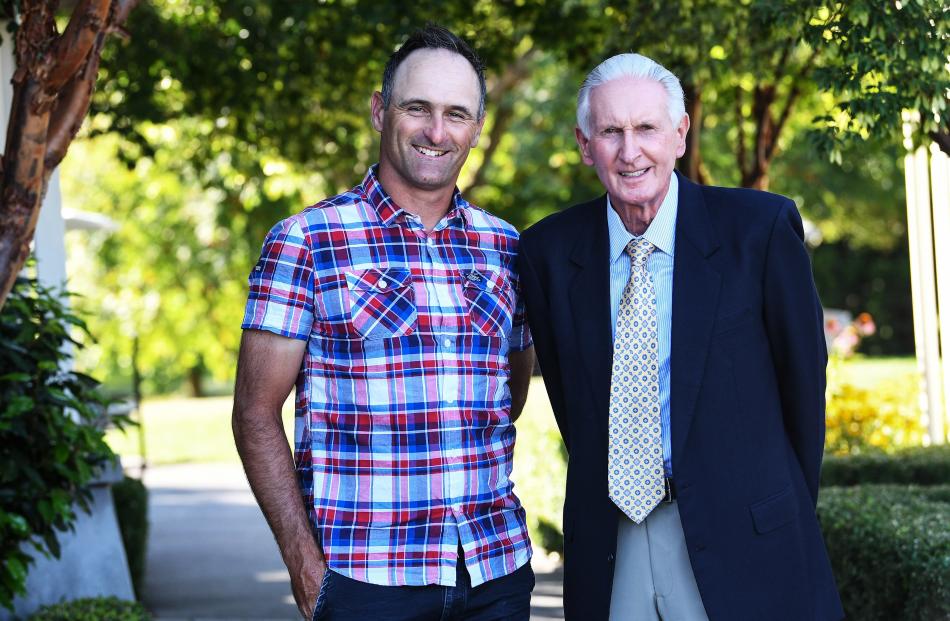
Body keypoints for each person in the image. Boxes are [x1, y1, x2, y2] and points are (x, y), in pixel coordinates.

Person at [517, 53, 844, 620]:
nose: (630, 150)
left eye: (646, 128)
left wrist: (779, 507)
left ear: (680, 134)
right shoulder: (548, 252)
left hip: (747, 536)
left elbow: (803, 393)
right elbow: (576, 406)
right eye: (610, 131)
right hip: (612, 543)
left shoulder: (759, 231)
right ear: (583, 142)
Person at [233, 25, 536, 621]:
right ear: (380, 111)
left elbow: (510, 393)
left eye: (456, 114)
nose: (436, 131)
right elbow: (254, 411)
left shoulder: (505, 248)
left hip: (495, 570)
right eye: (416, 108)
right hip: (363, 582)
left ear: (476, 128)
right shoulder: (306, 241)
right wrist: (303, 565)